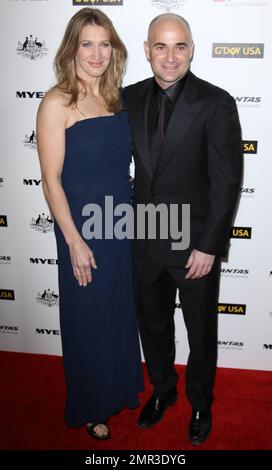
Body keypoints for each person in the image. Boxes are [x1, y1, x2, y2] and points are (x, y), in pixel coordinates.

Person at [123, 13, 242, 445]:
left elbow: (226, 181)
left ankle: (200, 402)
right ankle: (163, 390)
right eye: (160, 46)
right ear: (147, 50)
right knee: (152, 326)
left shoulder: (216, 102)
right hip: (144, 240)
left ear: (191, 49)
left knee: (200, 331)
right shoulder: (128, 98)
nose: (169, 57)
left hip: (195, 246)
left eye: (179, 46)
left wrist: (210, 246)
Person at [36, 7, 143, 440]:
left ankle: (118, 389)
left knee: (117, 312)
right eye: (87, 44)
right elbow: (50, 180)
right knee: (89, 319)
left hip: (119, 224)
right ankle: (92, 405)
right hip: (82, 228)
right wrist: (74, 241)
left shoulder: (116, 98)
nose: (96, 53)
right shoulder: (57, 100)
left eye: (104, 44)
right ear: (72, 49)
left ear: (112, 49)